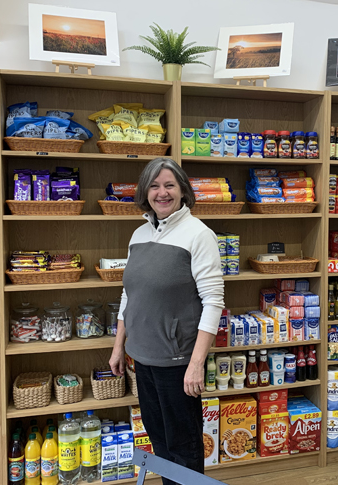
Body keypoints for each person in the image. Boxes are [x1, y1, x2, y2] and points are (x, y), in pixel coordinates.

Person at [109, 158, 224, 484]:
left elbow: (213, 302)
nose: (162, 192)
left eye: (169, 185)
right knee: (159, 443)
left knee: (184, 448)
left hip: (177, 365)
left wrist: (196, 363)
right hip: (142, 360)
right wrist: (119, 346)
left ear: (183, 190)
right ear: (145, 192)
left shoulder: (198, 235)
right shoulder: (139, 234)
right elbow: (129, 295)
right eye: (155, 185)